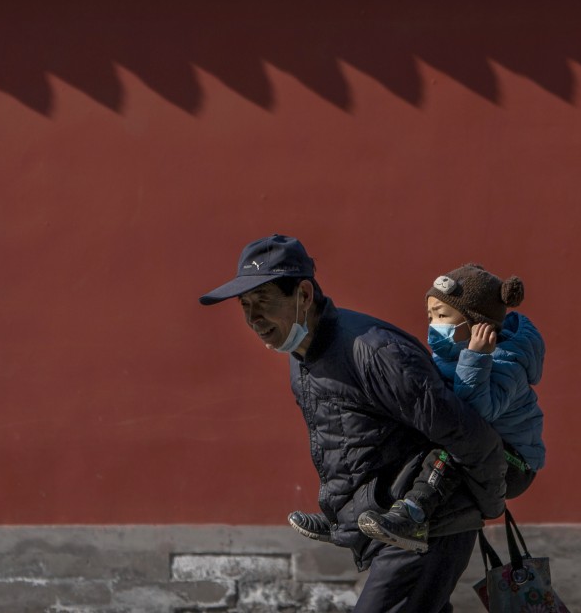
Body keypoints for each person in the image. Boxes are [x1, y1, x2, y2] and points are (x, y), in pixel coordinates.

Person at [199, 235, 507, 613]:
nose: (253, 319)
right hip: (383, 528)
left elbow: (467, 434)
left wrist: (490, 503)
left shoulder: (374, 352)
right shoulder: (300, 355)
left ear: (304, 295)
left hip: (423, 526)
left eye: (263, 302)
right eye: (245, 306)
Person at [357, 263, 546, 553]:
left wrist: (476, 358)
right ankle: (353, 517)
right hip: (482, 444)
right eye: (431, 315)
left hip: (515, 463)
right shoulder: (451, 355)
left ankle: (413, 515)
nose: (435, 324)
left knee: (453, 445)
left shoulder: (506, 363)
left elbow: (475, 416)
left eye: (443, 316)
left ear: (477, 323)